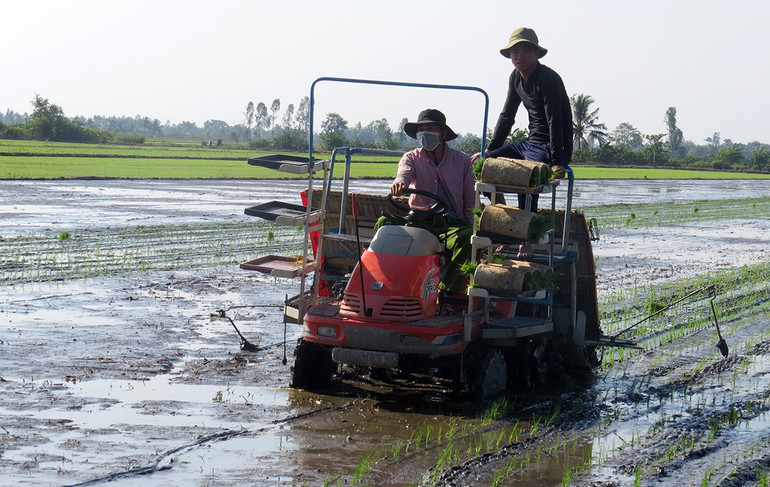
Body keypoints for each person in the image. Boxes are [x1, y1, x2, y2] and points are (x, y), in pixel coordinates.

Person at [472, 27, 573, 213]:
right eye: (515, 51)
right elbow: (507, 115)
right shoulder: (515, 77)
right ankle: (500, 214)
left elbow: (555, 121)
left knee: (527, 176)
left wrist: (557, 162)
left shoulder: (548, 79)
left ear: (536, 53)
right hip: (530, 143)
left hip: (551, 146)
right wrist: (490, 149)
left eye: (525, 50)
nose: (519, 55)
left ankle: (526, 226)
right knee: (483, 165)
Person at [379, 108, 475, 296]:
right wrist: (400, 184)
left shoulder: (463, 161)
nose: (424, 133)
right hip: (419, 222)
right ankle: (385, 282)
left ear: (443, 133)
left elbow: (470, 200)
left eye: (430, 129)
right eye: (421, 129)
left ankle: (447, 290)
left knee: (468, 239)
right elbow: (404, 174)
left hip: (450, 224)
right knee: (384, 223)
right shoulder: (411, 157)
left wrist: (472, 227)